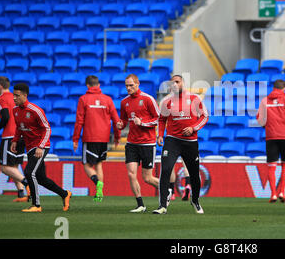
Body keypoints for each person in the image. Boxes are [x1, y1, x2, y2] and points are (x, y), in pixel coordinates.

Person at [10, 83, 71, 213]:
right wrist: (15, 140)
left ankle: (36, 205)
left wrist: (41, 147)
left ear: (25, 96)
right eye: (13, 95)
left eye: (17, 95)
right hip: (30, 146)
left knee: (29, 172)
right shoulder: (15, 110)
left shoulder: (35, 110)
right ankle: (65, 194)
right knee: (41, 179)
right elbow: (19, 127)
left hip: (40, 146)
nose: (14, 98)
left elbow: (47, 129)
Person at [153, 75, 209, 214]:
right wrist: (160, 134)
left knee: (194, 175)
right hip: (172, 141)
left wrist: (193, 128)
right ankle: (162, 206)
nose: (175, 84)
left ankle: (195, 201)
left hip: (190, 142)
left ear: (183, 83)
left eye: (177, 82)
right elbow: (162, 120)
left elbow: (204, 116)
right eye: (172, 82)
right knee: (165, 171)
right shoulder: (166, 102)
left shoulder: (195, 99)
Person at [72, 75, 121, 202]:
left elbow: (79, 121)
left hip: (90, 137)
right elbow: (116, 120)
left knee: (87, 165)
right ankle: (100, 193)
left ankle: (97, 183)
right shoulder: (108, 99)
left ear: (87, 85)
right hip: (104, 139)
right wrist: (117, 137)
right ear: (98, 85)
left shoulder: (83, 99)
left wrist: (75, 139)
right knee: (99, 164)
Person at [116, 74, 160, 213]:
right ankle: (140, 204)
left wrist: (143, 123)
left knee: (147, 178)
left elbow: (158, 119)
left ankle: (166, 188)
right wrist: (120, 124)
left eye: (131, 85)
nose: (128, 88)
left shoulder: (148, 99)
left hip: (147, 143)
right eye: (127, 86)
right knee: (131, 174)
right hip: (132, 143)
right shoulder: (124, 102)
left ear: (137, 84)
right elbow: (123, 120)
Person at [257, 79, 285, 203]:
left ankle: (273, 194)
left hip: (271, 136)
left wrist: (266, 126)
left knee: (271, 166)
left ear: (273, 88)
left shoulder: (264, 100)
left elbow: (259, 119)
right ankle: (282, 192)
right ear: (283, 88)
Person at [0, 76, 29, 202]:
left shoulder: (0, 99)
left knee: (4, 167)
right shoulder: (16, 97)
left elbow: (6, 116)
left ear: (0, 86)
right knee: (14, 166)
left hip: (9, 136)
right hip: (21, 135)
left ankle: (26, 183)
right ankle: (20, 193)